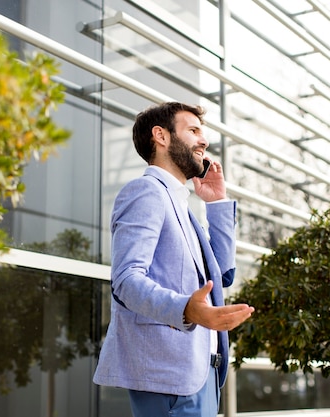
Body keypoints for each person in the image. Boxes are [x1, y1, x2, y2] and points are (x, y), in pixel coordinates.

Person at [93, 102, 255, 417]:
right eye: (193, 130)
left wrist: (217, 202)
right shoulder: (145, 192)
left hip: (200, 375)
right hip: (169, 378)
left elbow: (221, 275)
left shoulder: (182, 206)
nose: (204, 141)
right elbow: (126, 280)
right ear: (161, 136)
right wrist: (185, 309)